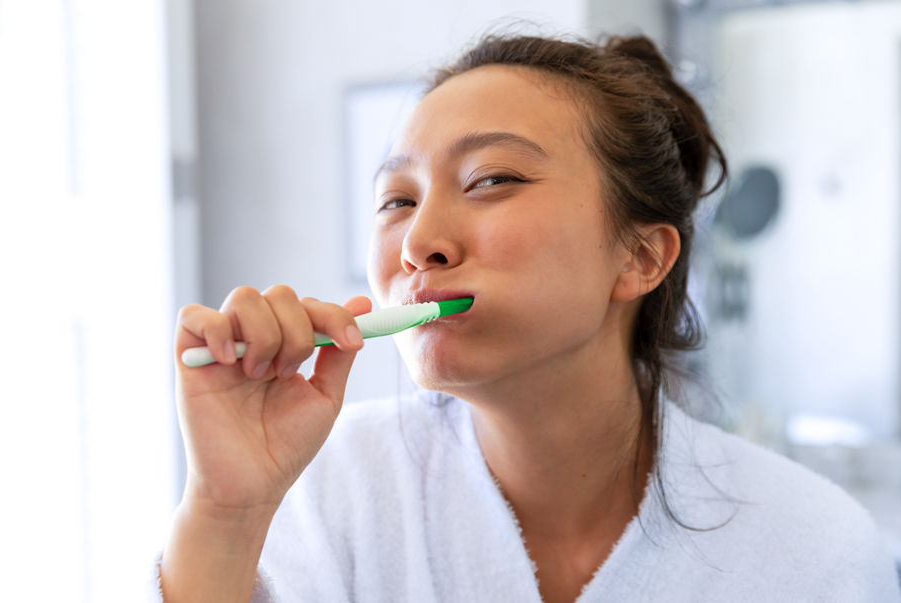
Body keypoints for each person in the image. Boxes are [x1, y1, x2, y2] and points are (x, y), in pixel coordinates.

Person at [152, 33, 901, 602]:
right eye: (396, 200)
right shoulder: (333, 489)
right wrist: (226, 509)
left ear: (640, 257)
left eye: (490, 180)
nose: (417, 243)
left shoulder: (814, 550)